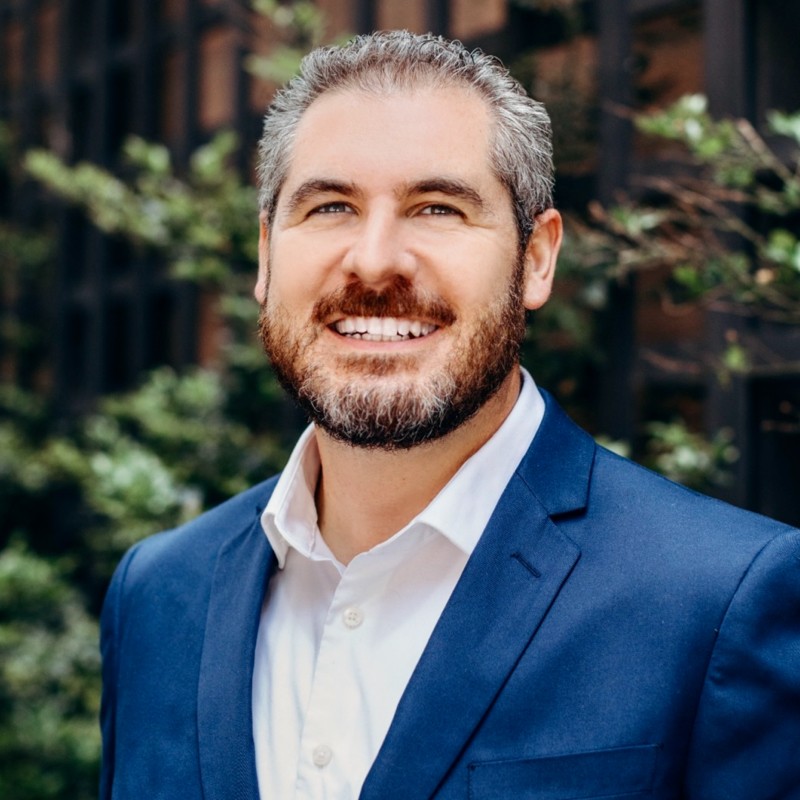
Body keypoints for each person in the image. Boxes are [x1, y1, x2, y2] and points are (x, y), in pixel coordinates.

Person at [99, 30, 800, 800]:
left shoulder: (719, 600)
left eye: (438, 208)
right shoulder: (157, 594)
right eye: (330, 206)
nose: (374, 260)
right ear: (266, 257)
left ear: (536, 259)